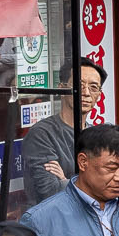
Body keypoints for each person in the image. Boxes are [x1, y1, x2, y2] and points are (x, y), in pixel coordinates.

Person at [22, 59, 106, 206]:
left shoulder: (98, 136)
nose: (86, 93)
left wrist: (65, 181)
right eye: (79, 86)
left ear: (99, 95)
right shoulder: (42, 134)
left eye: (93, 87)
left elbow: (110, 187)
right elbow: (51, 191)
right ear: (62, 89)